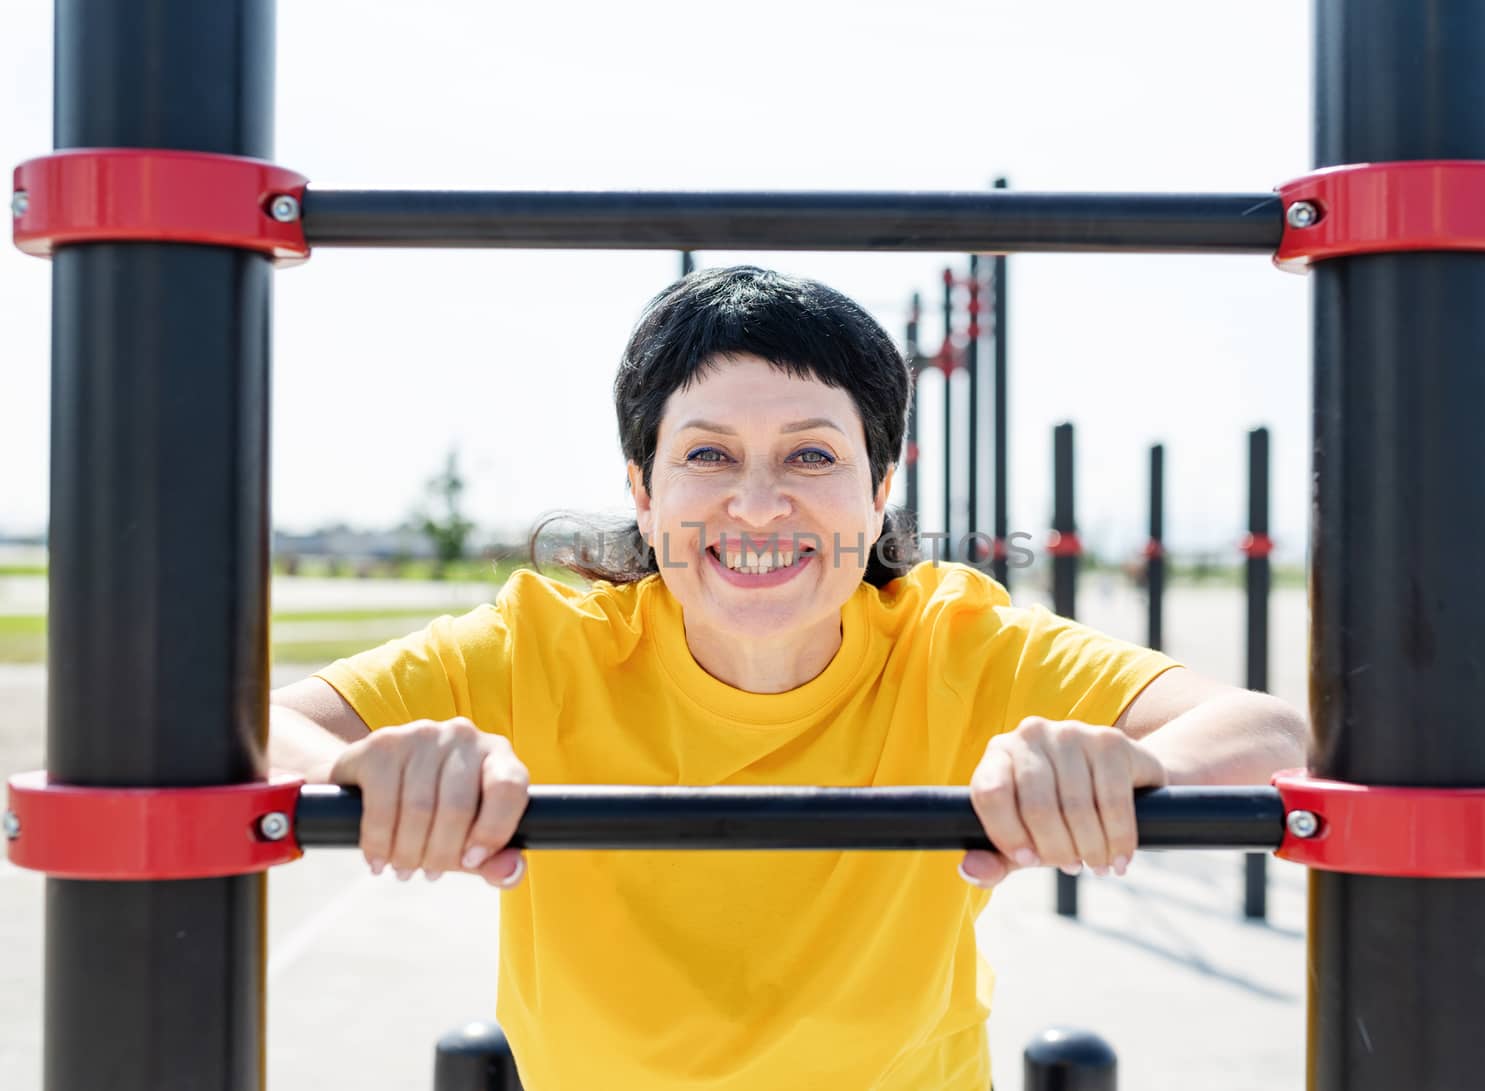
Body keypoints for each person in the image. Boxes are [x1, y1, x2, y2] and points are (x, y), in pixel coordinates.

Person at [268, 265, 1307, 1090]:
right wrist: (381, 768)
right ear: (641, 485)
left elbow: (1264, 731)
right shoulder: (546, 640)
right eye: (708, 456)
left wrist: (1105, 761)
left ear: (880, 485)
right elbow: (267, 727)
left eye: (810, 457)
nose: (757, 505)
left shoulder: (952, 636)